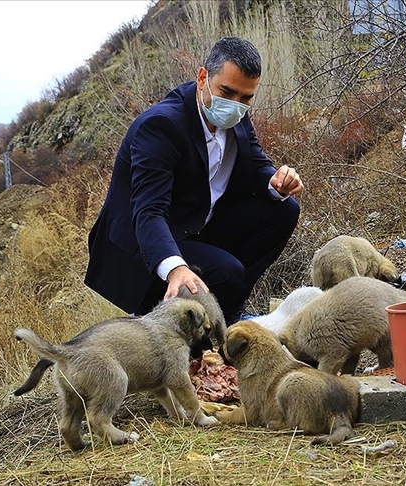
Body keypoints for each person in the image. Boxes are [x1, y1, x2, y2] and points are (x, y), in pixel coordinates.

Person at [85, 37, 302, 324]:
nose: (235, 104)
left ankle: (227, 314)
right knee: (227, 271)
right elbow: (149, 212)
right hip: (146, 245)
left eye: (246, 98)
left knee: (284, 209)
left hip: (195, 223)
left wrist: (276, 181)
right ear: (202, 78)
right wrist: (176, 269)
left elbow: (255, 163)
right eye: (227, 92)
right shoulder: (161, 126)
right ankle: (159, 312)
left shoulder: (235, 114)